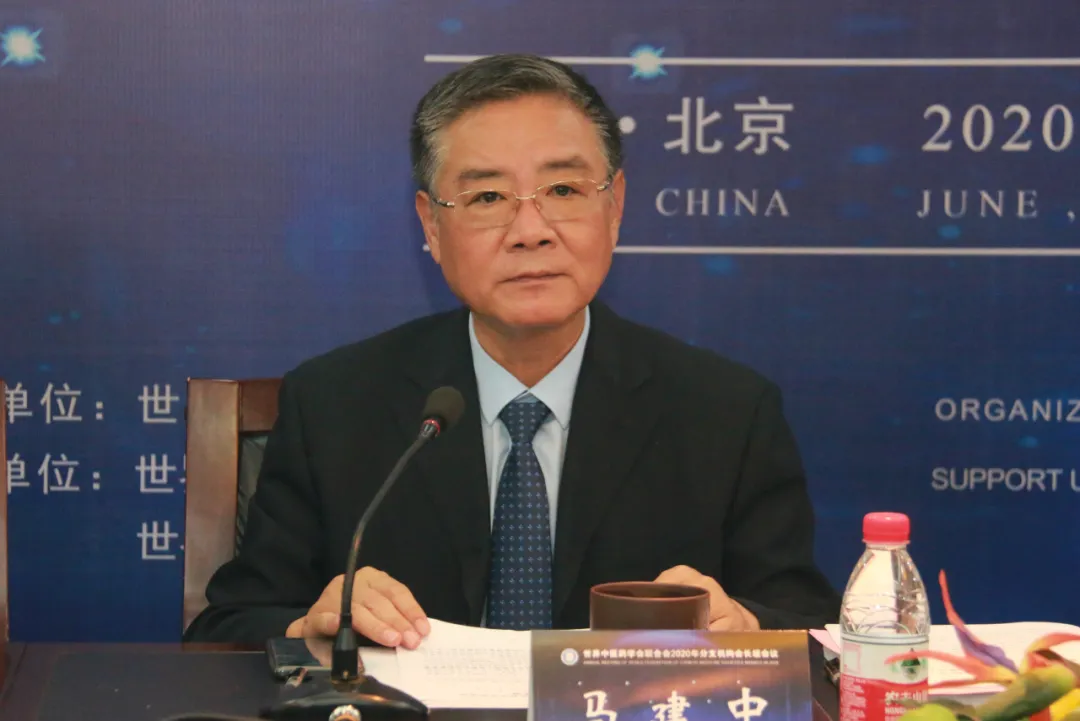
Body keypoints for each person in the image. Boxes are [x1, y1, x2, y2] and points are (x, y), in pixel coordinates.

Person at [183, 53, 840, 646]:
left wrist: (745, 627)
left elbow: (808, 623)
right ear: (431, 225)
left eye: (563, 191)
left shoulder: (727, 411)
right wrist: (310, 625)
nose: (531, 230)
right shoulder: (333, 404)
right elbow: (227, 628)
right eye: (488, 196)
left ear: (614, 208)